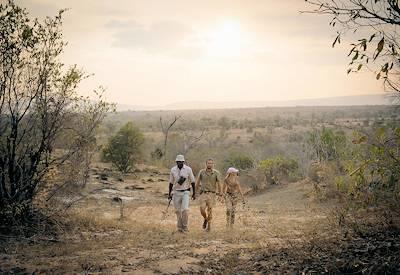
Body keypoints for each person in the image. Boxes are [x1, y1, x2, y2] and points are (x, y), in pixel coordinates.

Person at [168, 154, 196, 233]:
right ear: (176, 162)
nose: (180, 163)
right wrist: (169, 193)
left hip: (186, 192)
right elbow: (171, 183)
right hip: (176, 192)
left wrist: (194, 193)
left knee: (185, 210)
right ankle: (179, 228)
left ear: (183, 161)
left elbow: (193, 181)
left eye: (181, 161)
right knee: (177, 211)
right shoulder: (173, 170)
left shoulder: (188, 169)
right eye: (178, 162)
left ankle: (185, 227)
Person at [195, 158, 222, 232]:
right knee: (202, 209)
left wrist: (220, 194)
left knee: (210, 210)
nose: (210, 164)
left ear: (213, 164)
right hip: (203, 193)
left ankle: (209, 227)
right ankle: (205, 219)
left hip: (212, 194)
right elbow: (197, 182)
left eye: (211, 163)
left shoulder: (216, 173)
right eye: (208, 163)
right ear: (206, 164)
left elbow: (219, 183)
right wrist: (194, 192)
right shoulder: (202, 172)